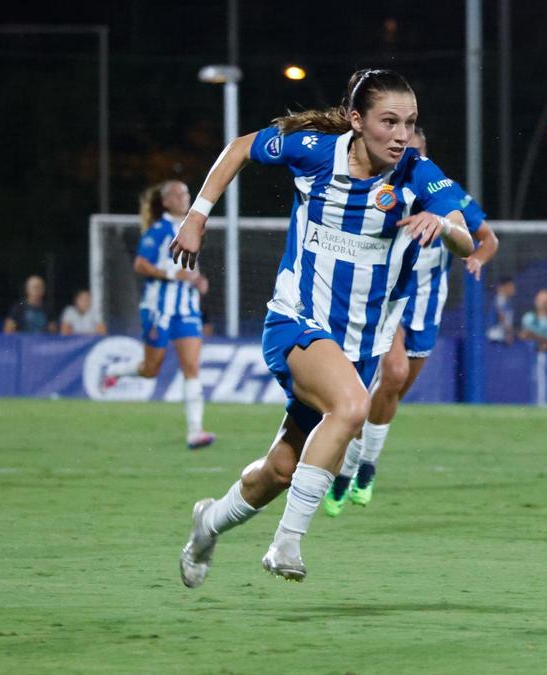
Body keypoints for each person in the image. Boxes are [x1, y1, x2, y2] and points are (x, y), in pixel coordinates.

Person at [171, 68, 475, 587]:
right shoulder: (314, 151)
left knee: (280, 470)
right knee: (354, 407)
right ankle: (286, 544)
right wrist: (198, 215)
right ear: (357, 121)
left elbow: (468, 240)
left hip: (359, 344)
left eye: (410, 122)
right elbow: (243, 147)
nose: (402, 135)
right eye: (389, 122)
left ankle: (208, 526)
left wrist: (443, 226)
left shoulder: (420, 175)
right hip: (297, 320)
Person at [324, 125, 499, 516]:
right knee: (396, 372)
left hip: (426, 309)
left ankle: (362, 466)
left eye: (415, 153)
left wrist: (475, 257)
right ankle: (346, 472)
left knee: (390, 394)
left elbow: (488, 238)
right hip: (388, 300)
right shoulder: (382, 191)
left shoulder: (446, 195)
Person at [100, 181, 215, 450]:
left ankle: (195, 431)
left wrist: (199, 281)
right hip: (158, 308)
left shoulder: (194, 226)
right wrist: (173, 275)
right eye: (177, 194)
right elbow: (140, 264)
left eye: (186, 193)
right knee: (150, 370)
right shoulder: (159, 230)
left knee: (192, 368)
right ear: (165, 202)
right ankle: (117, 370)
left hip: (186, 308)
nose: (184, 197)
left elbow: (189, 266)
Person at [487, 277, 517, 343]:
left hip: (502, 338)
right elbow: (501, 317)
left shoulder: (507, 301)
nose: (513, 288)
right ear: (503, 287)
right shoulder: (500, 299)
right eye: (511, 286)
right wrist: (509, 333)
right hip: (496, 338)